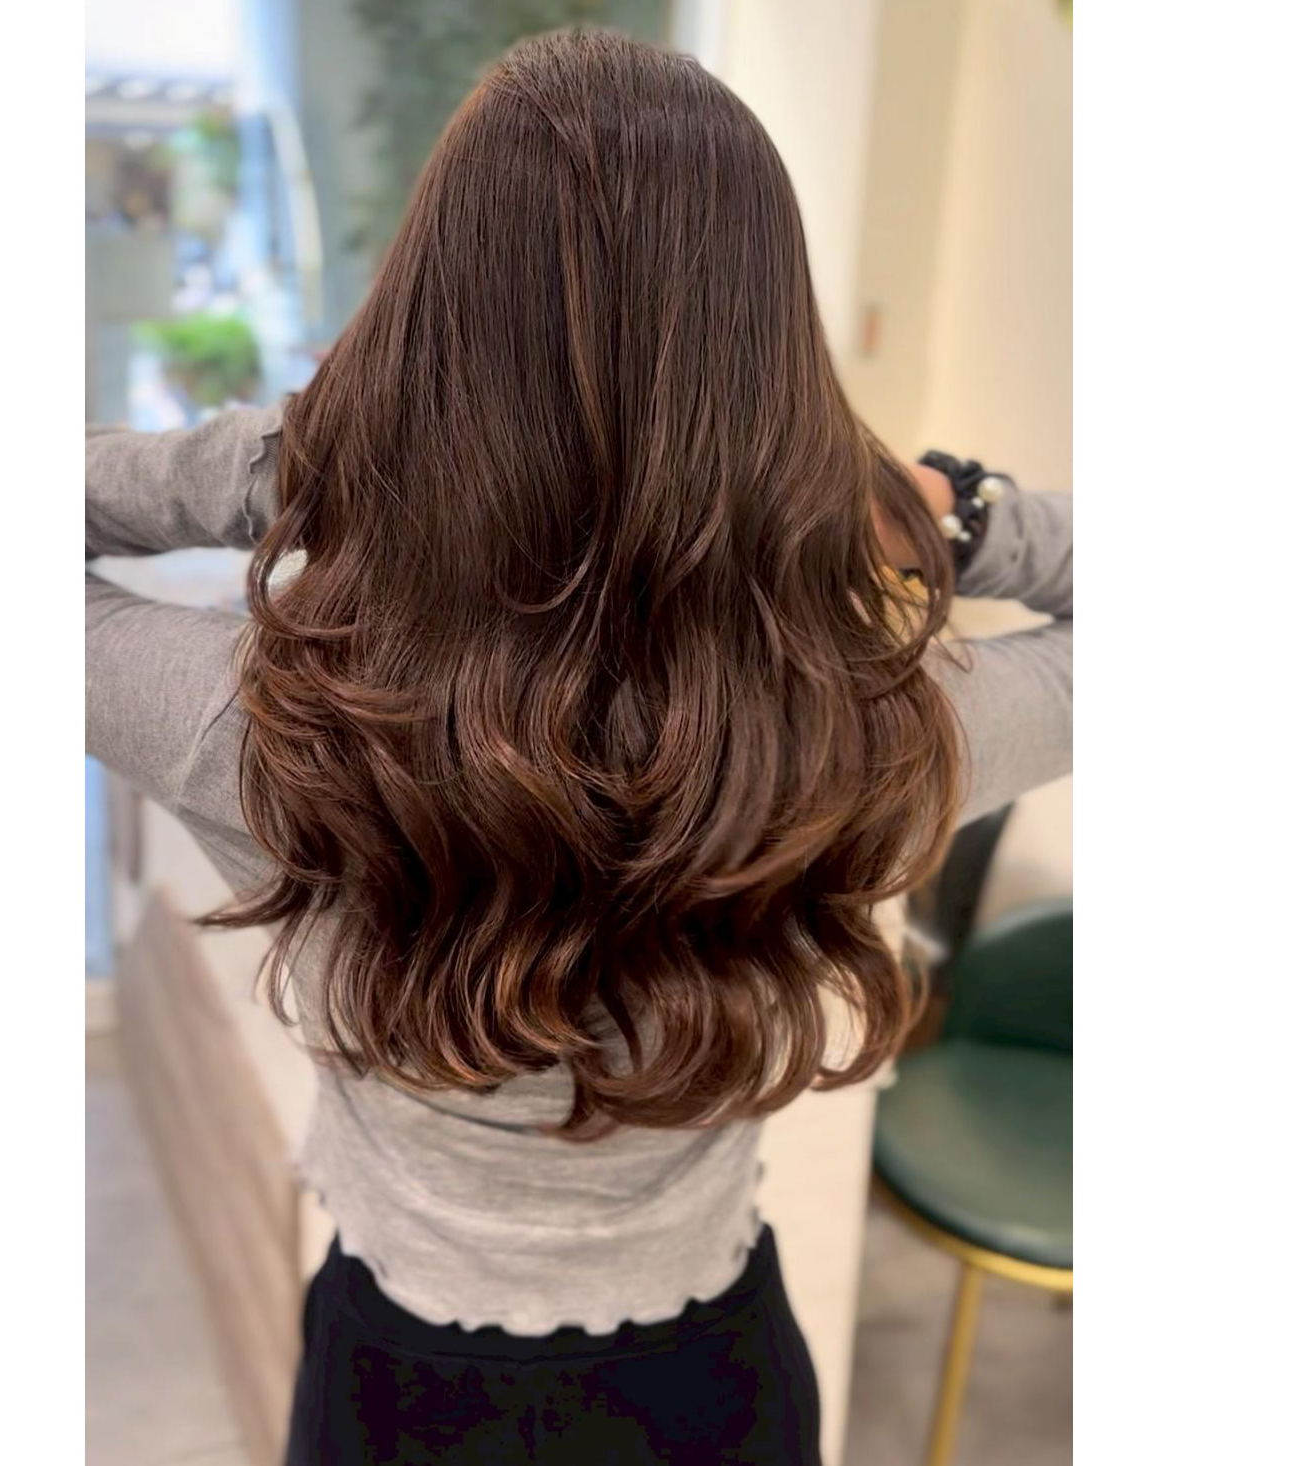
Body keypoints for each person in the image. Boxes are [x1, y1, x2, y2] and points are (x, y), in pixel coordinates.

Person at [85, 30, 1072, 1466]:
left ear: (422, 331)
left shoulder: (271, 723)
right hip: (716, 1387)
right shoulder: (869, 736)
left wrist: (297, 468)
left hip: (397, 1391)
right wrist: (943, 510)